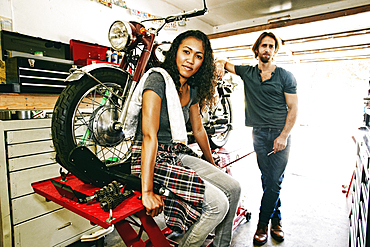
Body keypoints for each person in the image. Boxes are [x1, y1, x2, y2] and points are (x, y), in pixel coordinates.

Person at [128, 30, 241, 247]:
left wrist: (211, 162)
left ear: (203, 62)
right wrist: (147, 191)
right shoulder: (157, 79)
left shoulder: (193, 88)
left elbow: (198, 130)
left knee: (233, 188)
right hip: (151, 156)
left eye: (198, 56)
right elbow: (149, 136)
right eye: (186, 52)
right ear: (175, 52)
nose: (191, 60)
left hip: (176, 153)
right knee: (217, 204)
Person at [215, 31, 298, 245]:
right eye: (264, 46)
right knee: (268, 179)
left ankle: (263, 225)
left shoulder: (285, 76)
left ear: (275, 51)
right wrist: (218, 66)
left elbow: (293, 108)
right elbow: (224, 63)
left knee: (274, 182)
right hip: (259, 135)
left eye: (271, 46)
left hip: (280, 135)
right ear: (257, 49)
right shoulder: (248, 72)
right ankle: (276, 220)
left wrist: (284, 136)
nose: (267, 50)